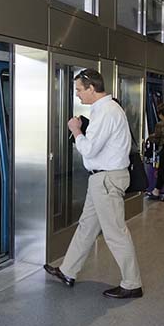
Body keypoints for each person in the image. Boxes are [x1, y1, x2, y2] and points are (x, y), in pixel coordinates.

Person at [43, 69, 143, 299]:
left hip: (106, 179)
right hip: (101, 179)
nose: (77, 95)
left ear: (91, 88)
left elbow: (90, 149)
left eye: (79, 89)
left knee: (115, 233)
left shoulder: (106, 111)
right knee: (87, 226)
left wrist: (76, 131)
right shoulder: (105, 110)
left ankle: (132, 283)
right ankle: (68, 271)